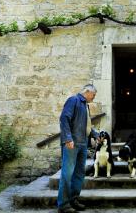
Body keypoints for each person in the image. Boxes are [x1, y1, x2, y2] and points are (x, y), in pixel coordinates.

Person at [57, 84, 99, 213]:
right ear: (87, 91)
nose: (94, 97)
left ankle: (73, 200)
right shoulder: (74, 100)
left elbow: (85, 125)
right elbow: (64, 118)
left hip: (82, 144)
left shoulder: (85, 105)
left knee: (79, 174)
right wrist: (68, 139)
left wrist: (95, 134)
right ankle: (63, 205)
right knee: (67, 174)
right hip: (72, 143)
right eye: (94, 94)